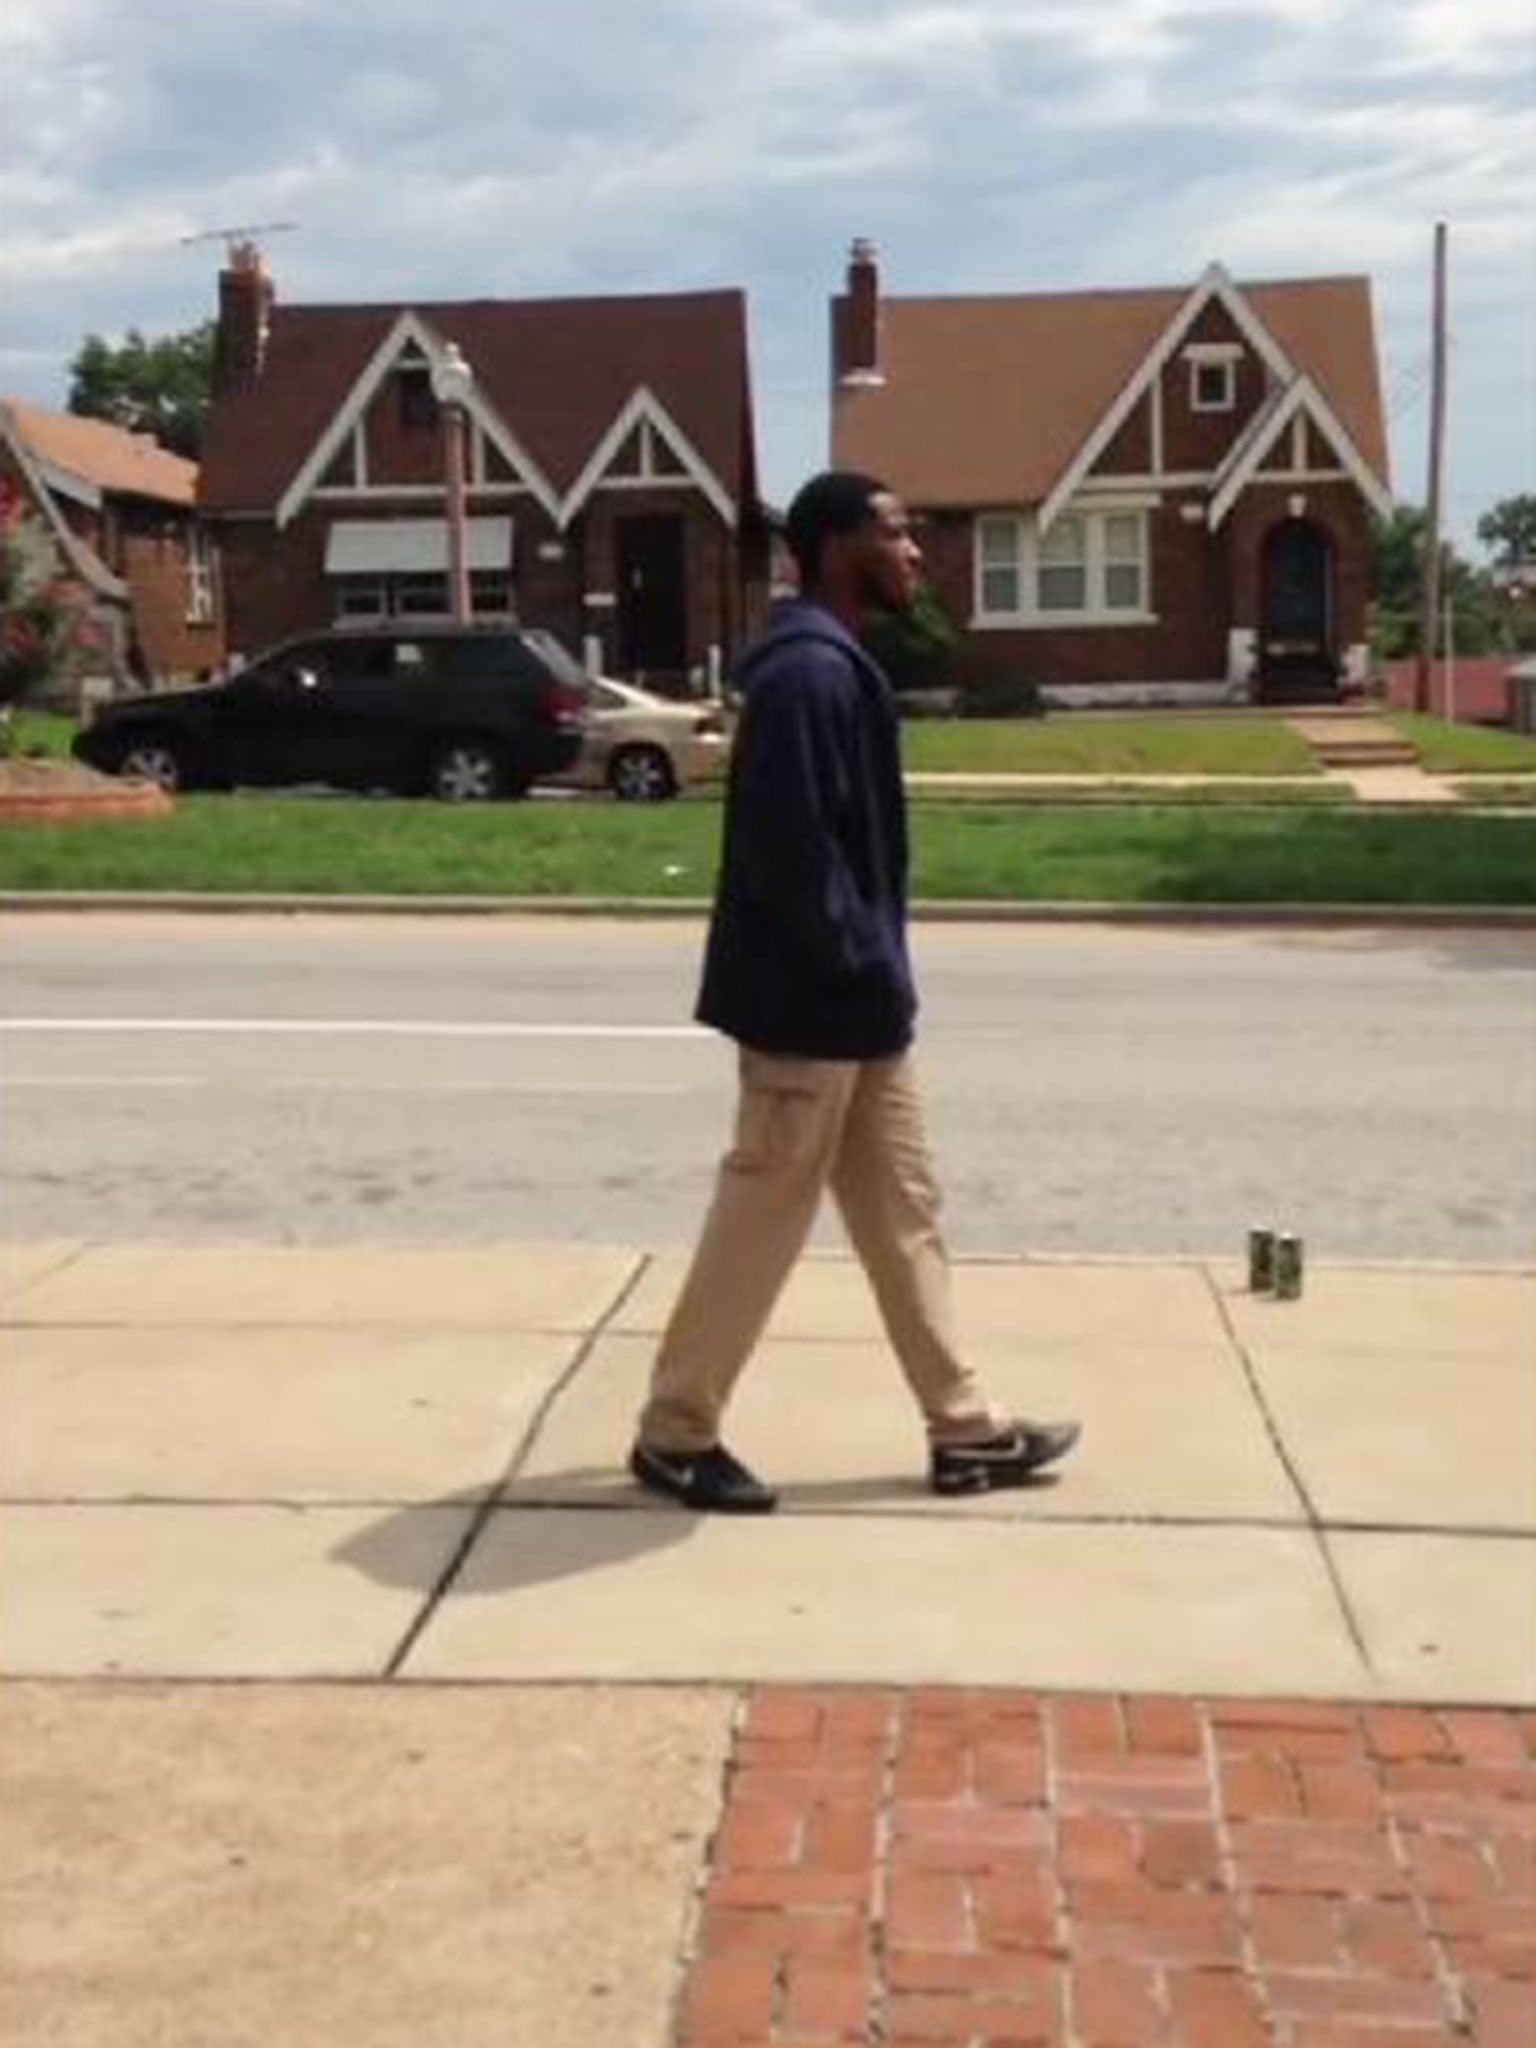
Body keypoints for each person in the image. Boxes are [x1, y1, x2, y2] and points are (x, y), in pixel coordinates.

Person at [630, 471, 1080, 1514]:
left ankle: (964, 1430)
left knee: (906, 1212)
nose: (916, 549)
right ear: (834, 546)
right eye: (896, 529)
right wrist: (854, 960)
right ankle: (674, 1430)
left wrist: (878, 978)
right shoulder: (804, 676)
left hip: (865, 1008)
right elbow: (793, 855)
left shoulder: (832, 665)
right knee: (763, 1214)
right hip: (811, 1008)